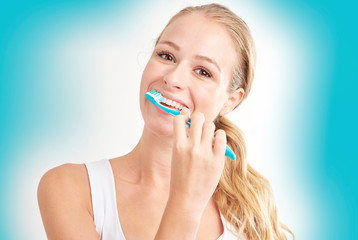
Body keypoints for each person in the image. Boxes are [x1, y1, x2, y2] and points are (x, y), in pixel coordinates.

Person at [38, 3, 293, 240]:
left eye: (203, 71)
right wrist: (185, 202)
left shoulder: (248, 210)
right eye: (166, 56)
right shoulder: (71, 188)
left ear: (230, 101)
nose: (173, 79)